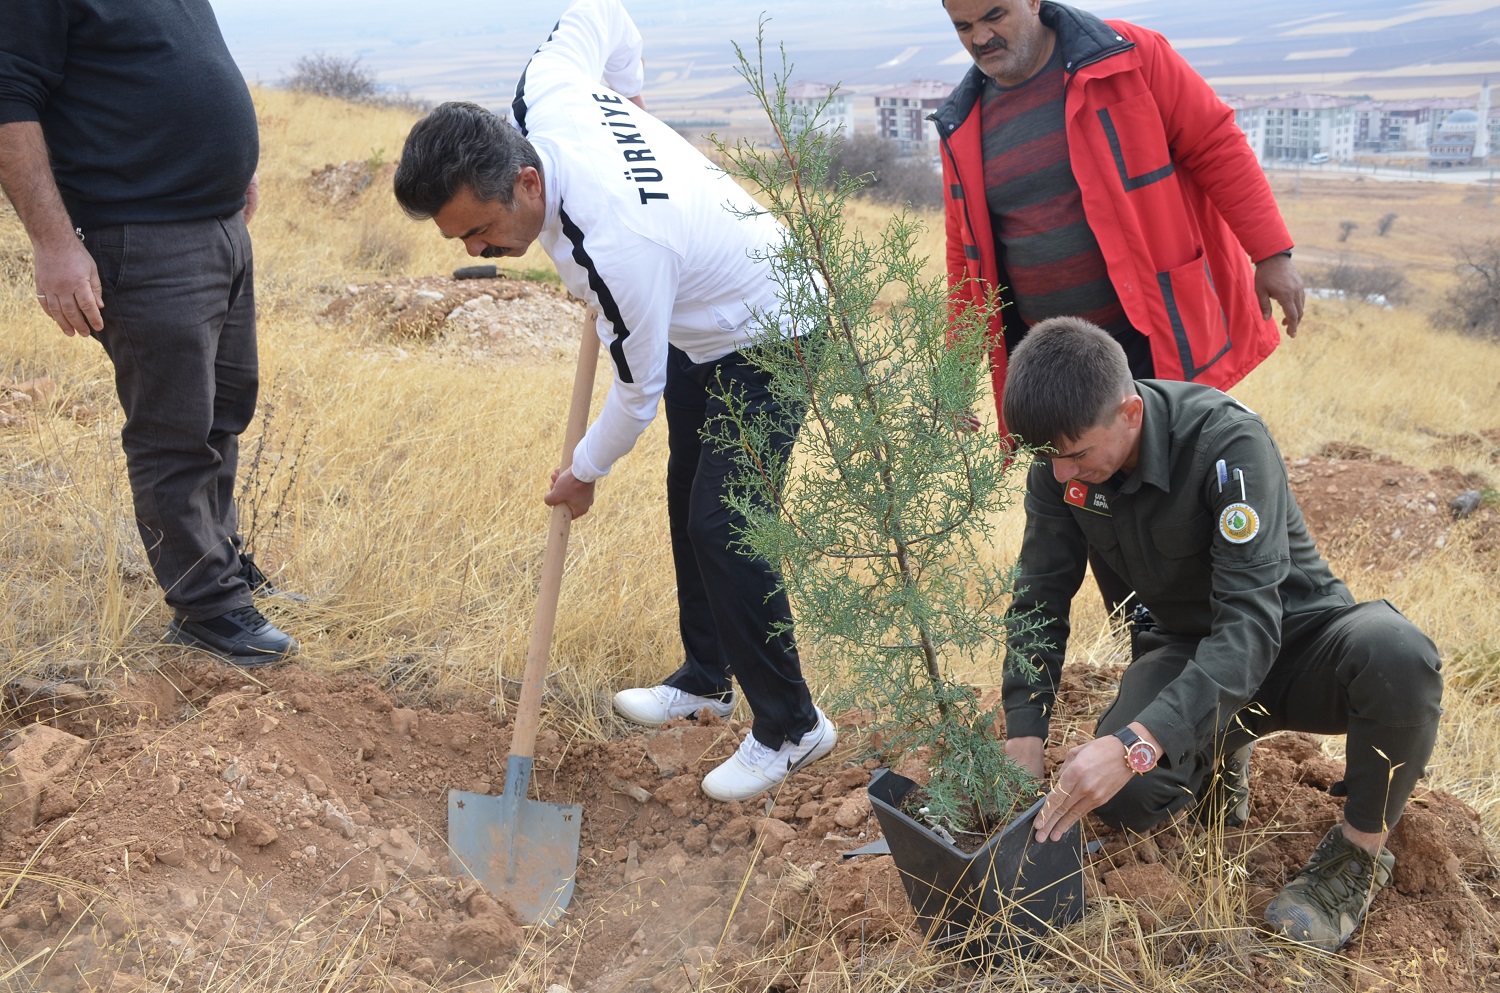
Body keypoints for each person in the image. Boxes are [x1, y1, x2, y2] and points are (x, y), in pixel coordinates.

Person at [393, 0, 834, 802]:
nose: (476, 253)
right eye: (460, 242)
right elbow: (602, 11)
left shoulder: (617, 243)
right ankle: (707, 676)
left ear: (528, 181)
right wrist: (628, 95)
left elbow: (637, 395)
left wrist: (583, 470)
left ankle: (792, 725)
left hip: (772, 322)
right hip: (700, 301)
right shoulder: (544, 91)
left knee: (725, 521)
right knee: (687, 486)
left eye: (482, 231)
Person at [997, 316, 1442, 952]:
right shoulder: (1060, 467)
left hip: (1298, 640)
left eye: (1075, 452)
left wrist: (1134, 744)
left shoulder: (1228, 443)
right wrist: (1025, 733)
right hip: (1187, 650)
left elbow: (1252, 627)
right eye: (1049, 456)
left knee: (1400, 657)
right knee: (1126, 799)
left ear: (1128, 412)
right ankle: (1220, 751)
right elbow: (1039, 596)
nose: (1062, 467)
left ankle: (1356, 857)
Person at [934, 0, 1307, 613]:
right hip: (1052, 359)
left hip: (1150, 337)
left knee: (1191, 486)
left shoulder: (1129, 57)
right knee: (1096, 502)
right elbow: (964, 254)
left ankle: (1243, 636)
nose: (980, 37)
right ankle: (1153, 648)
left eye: (993, 16)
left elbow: (1215, 142)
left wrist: (1271, 252)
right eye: (963, 27)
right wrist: (955, 372)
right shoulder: (964, 119)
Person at [0, 0, 299, 665]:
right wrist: (53, 243)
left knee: (224, 409)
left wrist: (230, 161)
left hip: (218, 222)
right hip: (143, 234)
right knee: (175, 432)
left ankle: (219, 563)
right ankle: (207, 611)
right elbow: (9, 94)